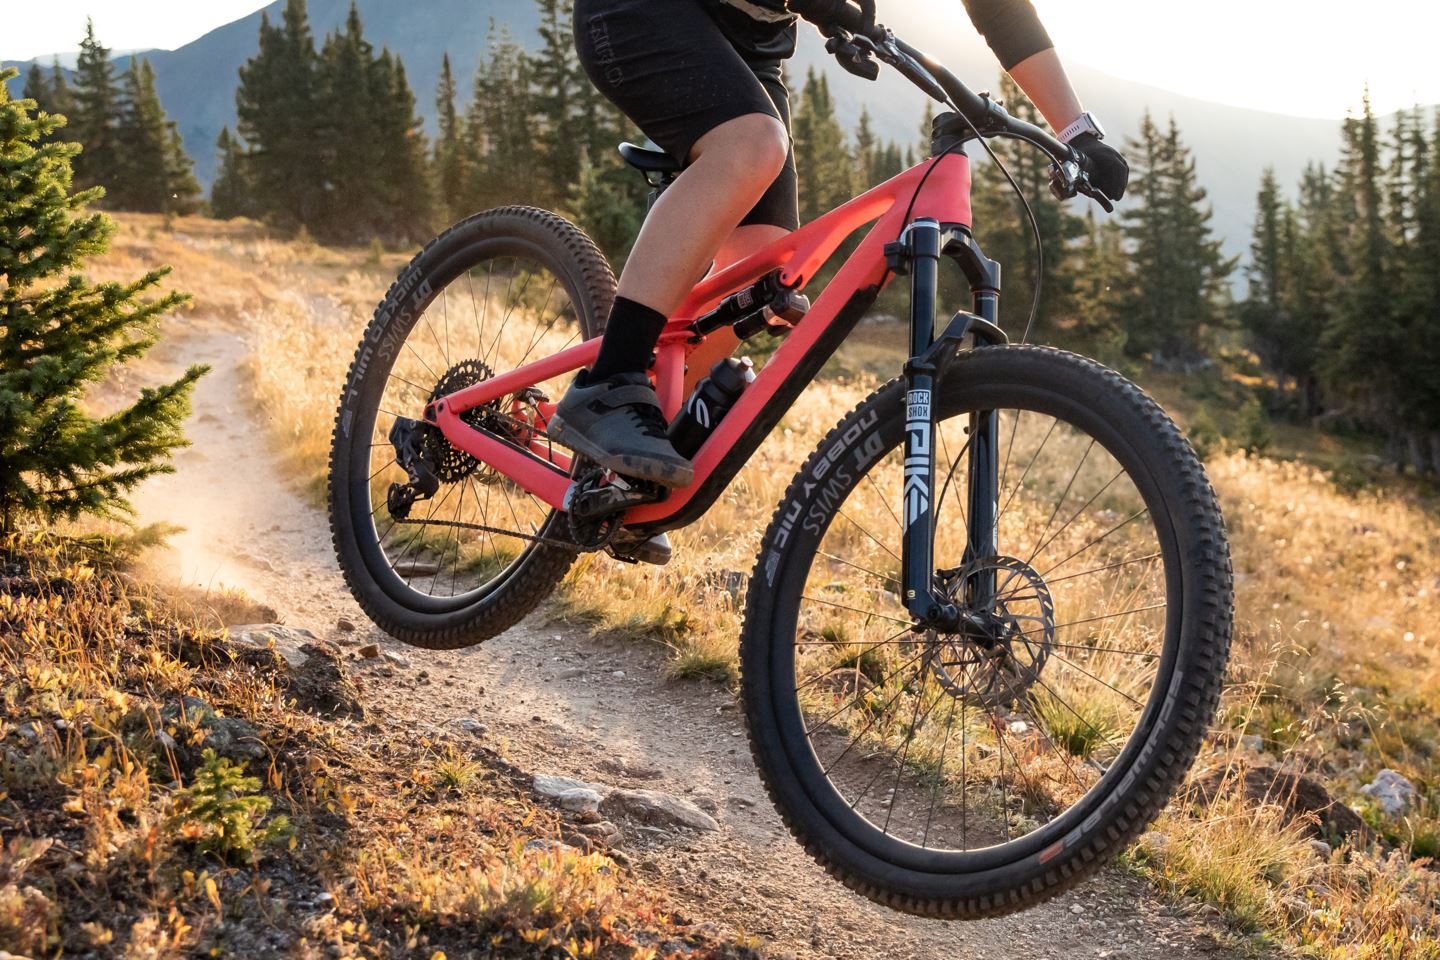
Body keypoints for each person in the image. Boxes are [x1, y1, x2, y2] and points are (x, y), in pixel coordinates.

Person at [551, 0, 1130, 489]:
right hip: (643, 11)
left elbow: (1003, 14)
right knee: (752, 145)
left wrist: (1076, 131)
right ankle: (608, 382)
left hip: (746, 45)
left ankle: (614, 480)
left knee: (759, 286)